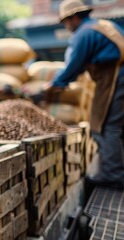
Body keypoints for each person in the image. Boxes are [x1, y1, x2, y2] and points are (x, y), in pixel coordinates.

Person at [46, 0, 124, 188]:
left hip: (116, 78)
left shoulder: (84, 33)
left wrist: (54, 85)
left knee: (106, 126)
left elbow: (73, 65)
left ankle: (113, 176)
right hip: (118, 76)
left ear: (73, 18)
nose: (67, 26)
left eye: (66, 21)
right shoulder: (106, 24)